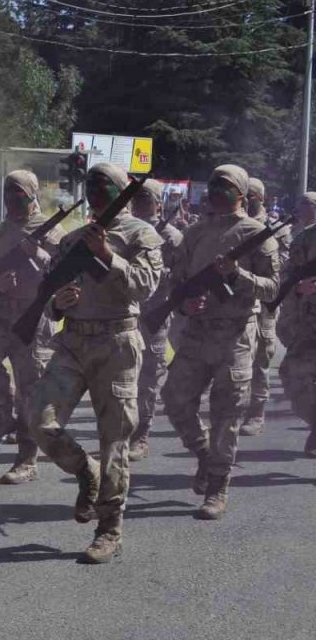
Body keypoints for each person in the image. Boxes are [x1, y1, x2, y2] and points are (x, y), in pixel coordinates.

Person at [27, 162, 162, 563]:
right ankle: (86, 470)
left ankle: (109, 530)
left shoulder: (142, 234)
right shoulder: (70, 241)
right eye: (90, 184)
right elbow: (49, 294)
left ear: (122, 191)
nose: (96, 190)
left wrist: (108, 255)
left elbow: (145, 287)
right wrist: (57, 304)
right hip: (72, 342)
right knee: (40, 420)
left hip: (117, 342)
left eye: (104, 184)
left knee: (115, 440)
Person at [162, 165, 280, 520]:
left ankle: (217, 487)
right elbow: (176, 280)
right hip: (197, 332)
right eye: (213, 185)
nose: (216, 191)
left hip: (236, 334)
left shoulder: (258, 234)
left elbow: (273, 288)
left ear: (241, 193)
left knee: (226, 413)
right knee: (174, 398)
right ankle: (203, 453)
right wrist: (185, 303)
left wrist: (237, 275)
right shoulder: (194, 233)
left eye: (225, 186)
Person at [0, 170, 63, 484]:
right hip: (0, 311)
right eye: (8, 195)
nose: (12, 201)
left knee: (31, 388)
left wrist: (41, 256)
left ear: (32, 195)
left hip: (34, 316)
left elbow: (64, 272)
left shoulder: (54, 231)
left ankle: (26, 460)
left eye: (18, 194)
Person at [129, 180, 184, 460]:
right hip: (125, 311)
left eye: (145, 197)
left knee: (148, 375)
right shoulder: (126, 230)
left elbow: (183, 276)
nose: (140, 202)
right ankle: (124, 429)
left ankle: (142, 434)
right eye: (137, 197)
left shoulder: (172, 236)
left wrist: (160, 275)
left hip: (155, 312)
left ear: (158, 202)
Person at [240, 178, 289, 436]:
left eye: (251, 196)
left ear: (260, 197)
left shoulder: (276, 228)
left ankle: (256, 413)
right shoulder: (233, 226)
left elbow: (285, 263)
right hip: (237, 301)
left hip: (265, 301)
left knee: (260, 358)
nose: (247, 200)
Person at [277, 193, 316, 457]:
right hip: (308, 321)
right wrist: (298, 290)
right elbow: (287, 280)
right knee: (292, 376)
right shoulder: (305, 239)